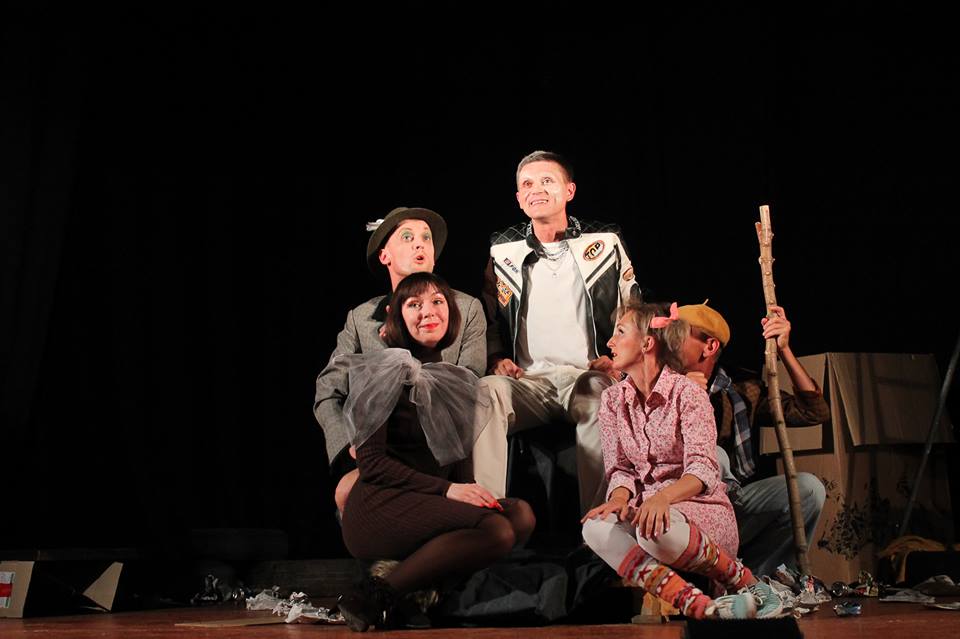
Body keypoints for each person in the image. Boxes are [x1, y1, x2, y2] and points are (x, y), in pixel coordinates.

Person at [334, 272, 535, 632]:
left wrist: (469, 491)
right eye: (414, 304)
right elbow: (374, 465)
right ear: (396, 317)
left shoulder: (451, 378)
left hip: (427, 502)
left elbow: (455, 458)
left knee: (519, 515)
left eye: (437, 302)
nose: (428, 311)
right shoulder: (380, 373)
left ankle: (422, 598)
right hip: (380, 504)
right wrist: (449, 491)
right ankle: (371, 597)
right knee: (497, 531)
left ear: (452, 313)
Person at [581, 301, 781, 620]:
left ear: (647, 343)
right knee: (594, 528)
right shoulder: (612, 399)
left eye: (620, 332)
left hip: (699, 510)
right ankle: (697, 605)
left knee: (653, 530)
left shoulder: (687, 393)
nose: (610, 342)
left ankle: (742, 578)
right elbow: (620, 469)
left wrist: (662, 498)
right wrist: (617, 500)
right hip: (645, 509)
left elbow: (703, 469)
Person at [477, 150, 639, 513]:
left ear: (569, 190)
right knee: (486, 393)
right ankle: (486, 521)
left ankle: (600, 524)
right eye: (527, 184)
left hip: (585, 375)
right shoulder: (502, 248)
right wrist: (497, 357)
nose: (536, 189)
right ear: (519, 199)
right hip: (528, 382)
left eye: (547, 181)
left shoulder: (606, 240)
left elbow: (633, 309)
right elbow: (490, 315)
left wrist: (618, 360)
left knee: (602, 396)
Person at [314, 207, 486, 513]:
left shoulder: (465, 308)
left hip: (442, 452)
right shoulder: (361, 318)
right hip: (379, 451)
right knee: (349, 492)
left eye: (426, 238)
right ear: (385, 256)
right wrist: (350, 446)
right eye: (407, 237)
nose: (420, 243)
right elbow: (328, 389)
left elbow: (468, 382)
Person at [677, 302, 830, 578]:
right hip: (680, 513)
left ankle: (758, 580)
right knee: (715, 455)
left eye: (678, 334)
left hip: (731, 507)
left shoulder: (740, 391)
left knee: (810, 489)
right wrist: (681, 394)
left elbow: (813, 412)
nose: (668, 341)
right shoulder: (658, 383)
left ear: (709, 346)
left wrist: (784, 350)